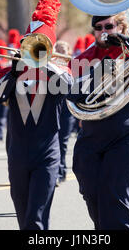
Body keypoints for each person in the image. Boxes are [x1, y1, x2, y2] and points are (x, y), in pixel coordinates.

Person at [66, 12, 129, 230]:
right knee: (92, 195)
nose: (103, 32)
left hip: (127, 136)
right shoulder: (84, 58)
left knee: (118, 198)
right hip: (92, 136)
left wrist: (127, 42)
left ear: (119, 27)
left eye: (108, 26)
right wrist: (100, 75)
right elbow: (72, 93)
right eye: (98, 28)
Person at [0, 0, 72, 230]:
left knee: (36, 219)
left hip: (46, 155)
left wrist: (46, 63)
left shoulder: (59, 72)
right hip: (18, 154)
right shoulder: (12, 73)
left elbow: (69, 87)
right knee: (24, 219)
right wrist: (13, 72)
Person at [53, 40, 75, 185]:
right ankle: (56, 171)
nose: (59, 54)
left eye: (62, 51)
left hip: (67, 109)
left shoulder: (74, 67)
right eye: (57, 50)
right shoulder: (51, 66)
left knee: (62, 142)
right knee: (54, 141)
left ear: (68, 53)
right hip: (54, 108)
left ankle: (61, 171)